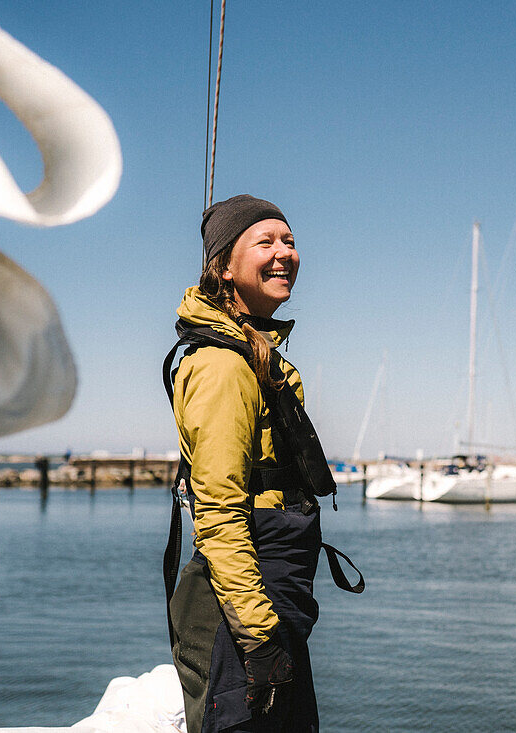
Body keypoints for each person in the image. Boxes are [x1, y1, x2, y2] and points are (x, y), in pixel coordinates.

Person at [166, 194, 328, 733]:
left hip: (263, 594)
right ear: (225, 267)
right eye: (266, 242)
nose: (284, 253)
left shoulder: (256, 354)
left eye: (290, 241)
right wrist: (259, 640)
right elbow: (217, 512)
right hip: (238, 608)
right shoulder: (223, 367)